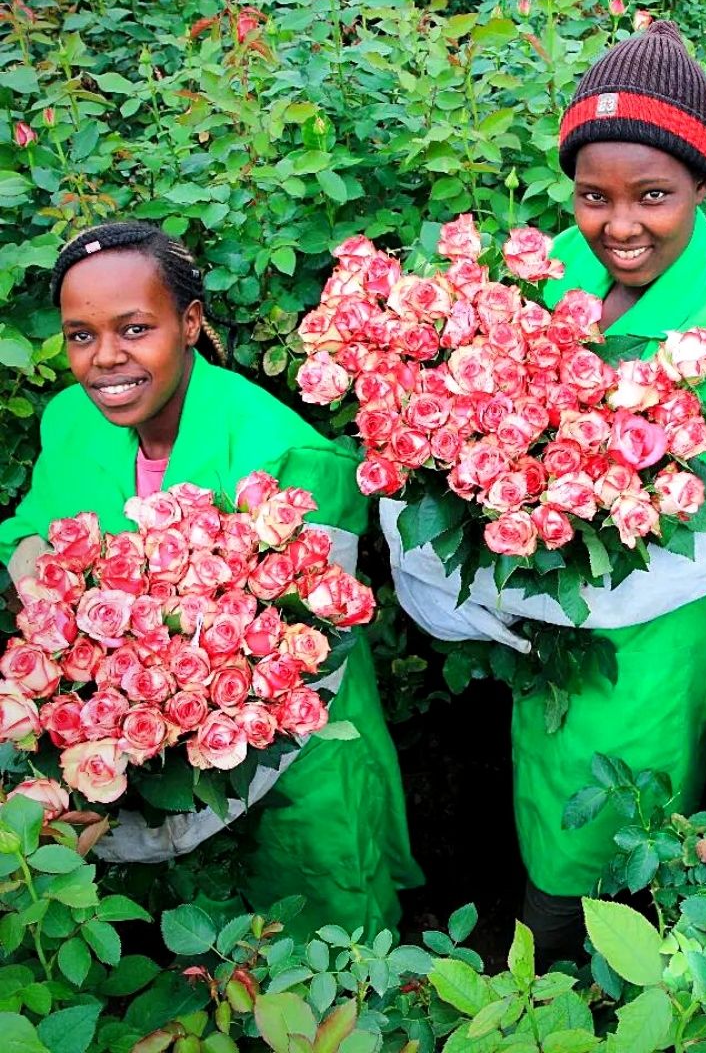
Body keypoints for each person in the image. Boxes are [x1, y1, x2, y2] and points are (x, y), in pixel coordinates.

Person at [0, 221, 422, 935]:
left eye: (135, 328)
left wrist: (151, 824)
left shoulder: (285, 457)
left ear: (190, 321)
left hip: (285, 759)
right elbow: (32, 527)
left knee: (318, 947)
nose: (105, 359)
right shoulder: (73, 417)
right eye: (80, 335)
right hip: (133, 753)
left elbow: (308, 657)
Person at [514, 20, 706, 957]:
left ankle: (574, 975)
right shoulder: (558, 266)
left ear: (702, 188)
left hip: (653, 631)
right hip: (537, 613)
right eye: (592, 195)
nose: (617, 225)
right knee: (543, 787)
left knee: (615, 822)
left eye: (653, 196)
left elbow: (697, 533)